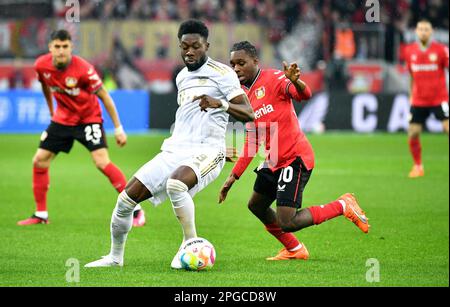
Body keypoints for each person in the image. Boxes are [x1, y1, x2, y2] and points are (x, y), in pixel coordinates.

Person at [85, 20, 254, 268]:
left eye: (195, 46)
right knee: (125, 200)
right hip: (175, 149)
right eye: (184, 46)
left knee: (176, 184)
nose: (189, 52)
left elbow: (249, 113)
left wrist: (222, 105)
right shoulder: (182, 77)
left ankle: (190, 245)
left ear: (206, 45)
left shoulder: (223, 74)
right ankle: (114, 257)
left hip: (208, 150)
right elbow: (189, 115)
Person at [219, 41, 369, 260]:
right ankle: (295, 250)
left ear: (255, 61)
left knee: (287, 222)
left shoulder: (275, 78)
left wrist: (296, 82)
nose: (237, 68)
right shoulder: (243, 96)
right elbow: (252, 140)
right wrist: (233, 177)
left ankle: (342, 205)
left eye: (241, 63)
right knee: (256, 205)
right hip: (273, 159)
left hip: (294, 158)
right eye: (233, 64)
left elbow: (304, 94)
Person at [17, 29, 146, 227]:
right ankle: (41, 214)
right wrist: (52, 111)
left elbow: (105, 96)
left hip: (88, 119)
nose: (61, 51)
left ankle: (136, 209)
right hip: (62, 120)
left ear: (71, 47)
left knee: (102, 162)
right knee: (40, 160)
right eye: (57, 47)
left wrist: (119, 128)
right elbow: (45, 85)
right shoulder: (41, 65)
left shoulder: (84, 69)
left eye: (65, 47)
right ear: (50, 47)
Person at [404, 19, 449, 178]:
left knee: (447, 128)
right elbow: (411, 75)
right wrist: (411, 95)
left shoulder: (441, 50)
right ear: (416, 31)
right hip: (419, 99)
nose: (423, 32)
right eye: (420, 29)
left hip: (439, 98)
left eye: (426, 29)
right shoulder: (409, 51)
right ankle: (418, 166)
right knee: (413, 132)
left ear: (432, 32)